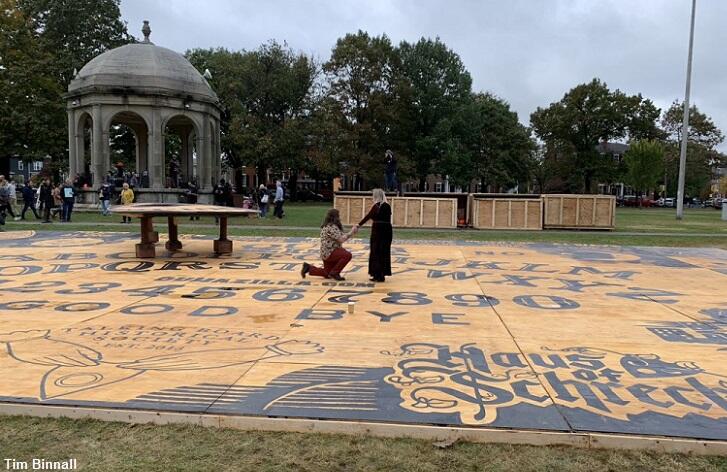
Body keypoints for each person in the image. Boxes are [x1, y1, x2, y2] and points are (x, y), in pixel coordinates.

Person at [301, 209, 357, 281]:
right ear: (335, 217)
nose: (339, 218)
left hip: (326, 253)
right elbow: (341, 239)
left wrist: (351, 232)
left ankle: (308, 268)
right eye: (338, 216)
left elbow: (341, 236)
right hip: (330, 252)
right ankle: (335, 273)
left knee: (327, 273)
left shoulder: (329, 226)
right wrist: (351, 232)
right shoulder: (331, 227)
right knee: (347, 255)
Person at [355, 188, 393, 282]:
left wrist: (358, 225)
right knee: (383, 252)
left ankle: (378, 274)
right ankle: (380, 273)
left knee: (376, 251)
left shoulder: (377, 206)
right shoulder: (387, 206)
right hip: (386, 230)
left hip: (378, 230)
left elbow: (368, 216)